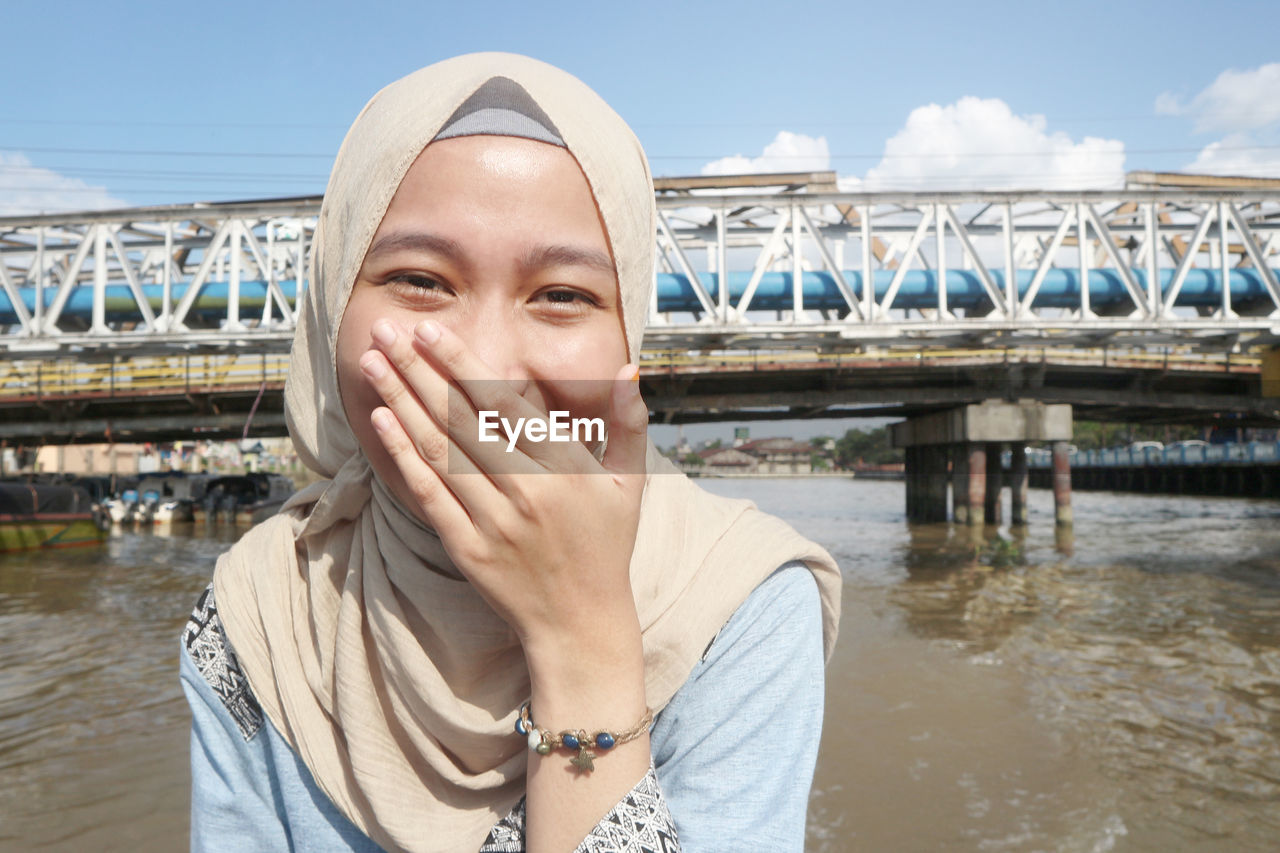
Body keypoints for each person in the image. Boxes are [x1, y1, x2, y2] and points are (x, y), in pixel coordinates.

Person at [180, 52, 842, 853]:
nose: (486, 361)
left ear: (628, 331)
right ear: (330, 315)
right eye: (421, 280)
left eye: (562, 295)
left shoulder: (740, 603)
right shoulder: (258, 608)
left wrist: (582, 636)